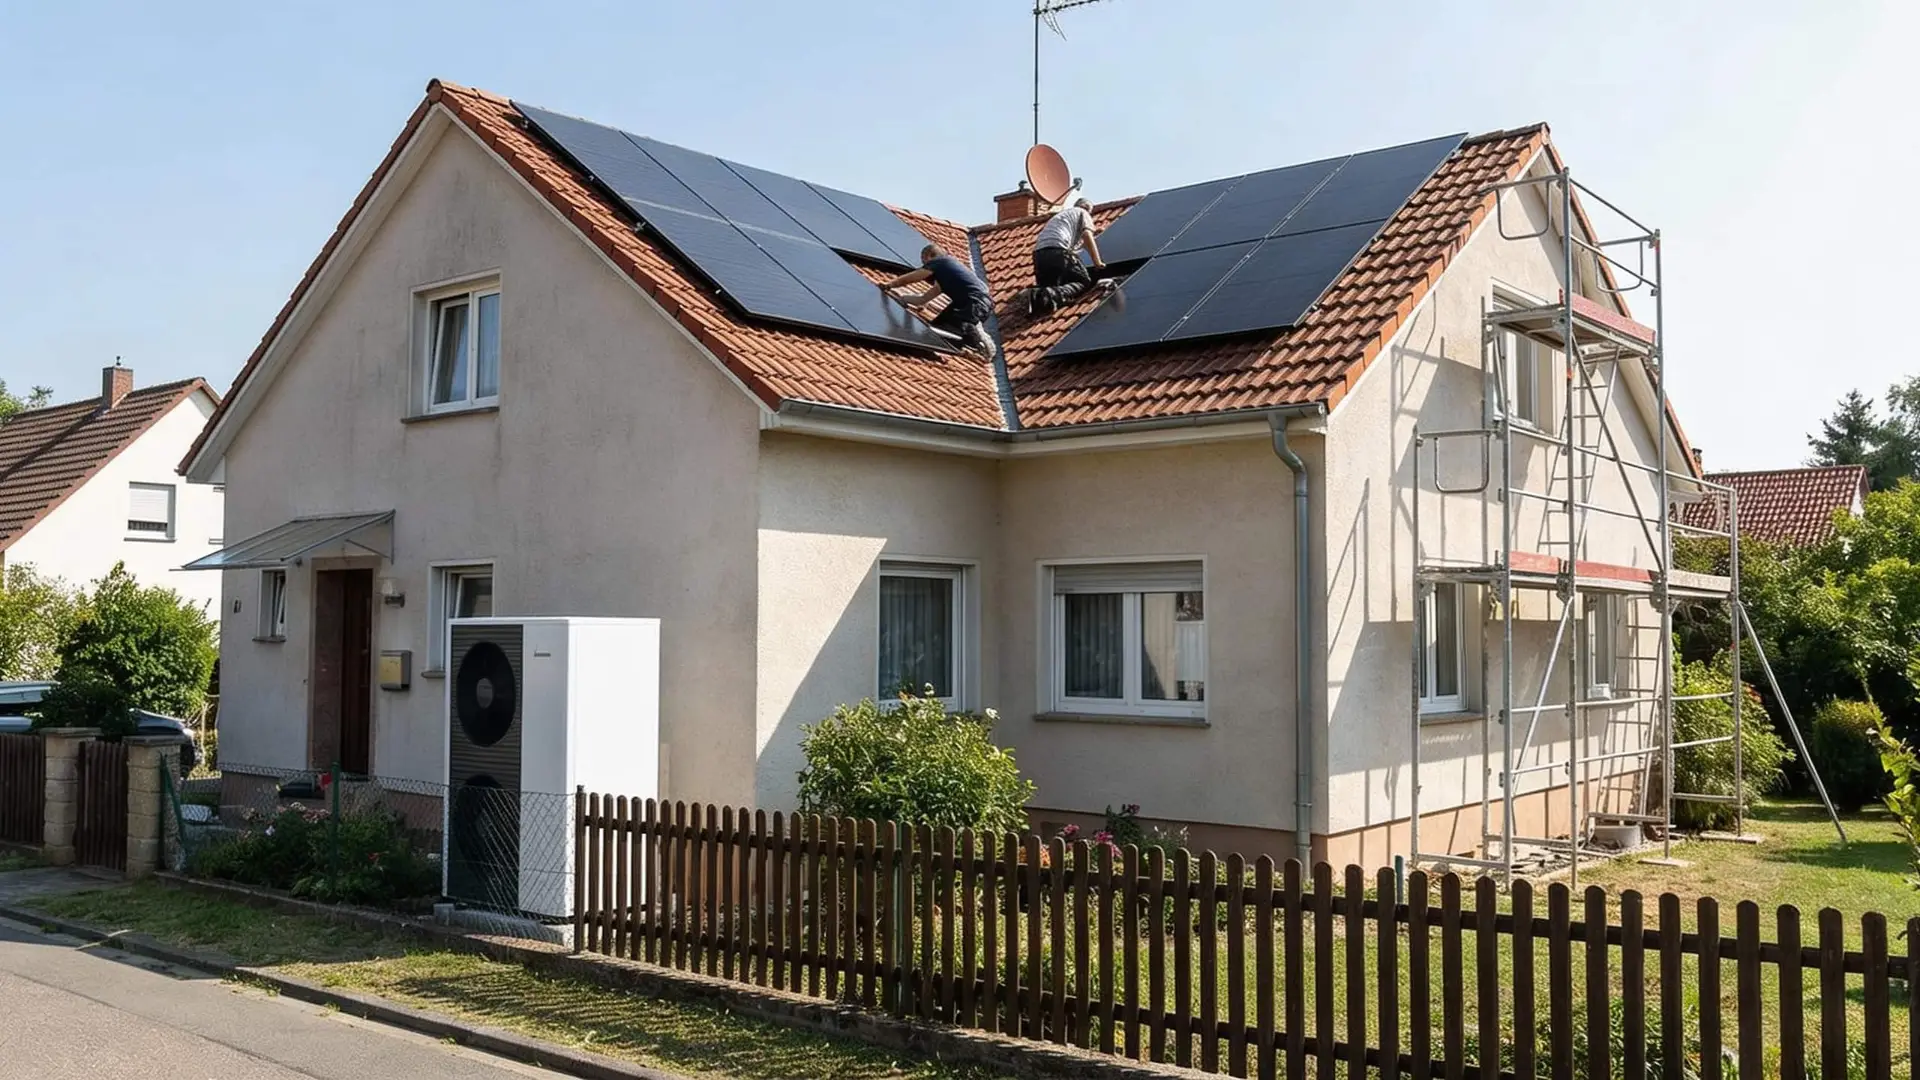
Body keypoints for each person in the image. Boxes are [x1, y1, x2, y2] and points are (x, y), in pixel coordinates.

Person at [878, 245, 997, 358]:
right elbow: (922, 299)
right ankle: (966, 345)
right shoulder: (947, 275)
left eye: (924, 261)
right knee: (937, 328)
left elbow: (912, 277)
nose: (924, 265)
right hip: (975, 302)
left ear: (929, 256)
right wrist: (902, 299)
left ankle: (981, 345)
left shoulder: (940, 262)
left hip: (975, 301)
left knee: (961, 324)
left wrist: (890, 285)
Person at [1025, 197, 1107, 317]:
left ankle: (1039, 299)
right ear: (1088, 209)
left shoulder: (1062, 216)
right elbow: (1087, 236)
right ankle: (1051, 294)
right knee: (1082, 281)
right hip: (1058, 250)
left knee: (1049, 289)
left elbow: (1078, 244)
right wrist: (1097, 262)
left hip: (1039, 255)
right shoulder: (1083, 213)